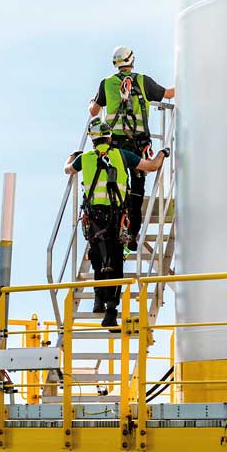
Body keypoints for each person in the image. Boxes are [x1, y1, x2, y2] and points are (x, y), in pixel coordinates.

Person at [65, 135, 166, 326]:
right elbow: (152, 166)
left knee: (97, 257)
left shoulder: (84, 158)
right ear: (109, 139)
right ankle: (111, 310)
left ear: (92, 139)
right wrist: (162, 153)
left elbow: (67, 169)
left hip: (94, 219)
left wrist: (71, 156)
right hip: (116, 218)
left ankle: (98, 300)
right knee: (115, 261)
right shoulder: (123, 155)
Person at [89, 46, 174, 250]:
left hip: (114, 146)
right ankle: (132, 235)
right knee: (136, 191)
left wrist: (92, 101)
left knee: (116, 187)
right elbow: (168, 94)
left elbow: (94, 112)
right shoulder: (143, 81)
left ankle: (113, 229)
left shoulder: (106, 84)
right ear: (132, 60)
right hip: (138, 145)